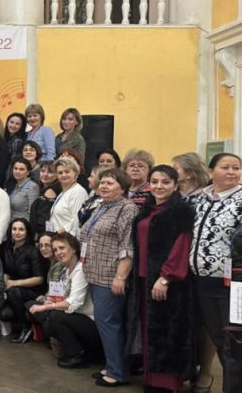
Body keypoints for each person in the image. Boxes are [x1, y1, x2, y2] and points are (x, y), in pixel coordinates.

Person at [130, 165, 194, 393]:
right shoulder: (147, 209)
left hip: (168, 282)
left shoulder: (181, 211)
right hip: (143, 279)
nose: (159, 186)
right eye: (155, 182)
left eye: (165, 182)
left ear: (175, 185)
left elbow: (182, 246)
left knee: (168, 332)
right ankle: (151, 379)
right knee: (150, 331)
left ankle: (167, 384)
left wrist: (166, 277)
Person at [78, 167, 138, 387]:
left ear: (122, 188)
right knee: (105, 323)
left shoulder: (127, 208)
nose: (104, 185)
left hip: (110, 276)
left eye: (110, 183)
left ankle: (118, 373)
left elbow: (127, 246)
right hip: (93, 273)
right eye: (102, 182)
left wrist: (120, 277)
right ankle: (112, 365)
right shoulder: (102, 206)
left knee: (109, 324)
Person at [190, 152, 242, 393]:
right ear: (210, 172)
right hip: (202, 281)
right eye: (225, 167)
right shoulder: (201, 199)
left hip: (233, 284)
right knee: (219, 339)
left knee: (235, 343)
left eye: (236, 167)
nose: (232, 172)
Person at [27, 232, 100, 369]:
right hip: (77, 317)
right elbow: (64, 297)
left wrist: (46, 307)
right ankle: (76, 350)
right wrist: (50, 301)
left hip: (91, 322)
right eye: (55, 250)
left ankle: (78, 354)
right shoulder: (66, 270)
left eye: (62, 248)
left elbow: (73, 302)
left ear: (73, 248)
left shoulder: (80, 270)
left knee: (55, 316)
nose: (58, 252)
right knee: (47, 320)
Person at [0, 218, 45, 343]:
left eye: (21, 229)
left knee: (13, 291)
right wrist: (6, 281)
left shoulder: (33, 251)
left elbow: (39, 279)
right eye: (14, 229)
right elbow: (6, 271)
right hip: (13, 290)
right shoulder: (7, 249)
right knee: (4, 313)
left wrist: (14, 283)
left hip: (33, 292)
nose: (17, 232)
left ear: (27, 232)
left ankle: (26, 327)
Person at [46, 157, 89, 236]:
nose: (64, 175)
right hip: (56, 237)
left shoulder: (78, 191)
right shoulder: (63, 192)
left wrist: (67, 237)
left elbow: (77, 221)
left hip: (67, 239)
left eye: (67, 171)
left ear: (75, 173)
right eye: (60, 173)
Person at [30, 161, 62, 236]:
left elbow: (46, 217)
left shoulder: (51, 191)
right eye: (42, 171)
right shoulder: (43, 188)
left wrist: (44, 235)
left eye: (50, 172)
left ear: (57, 175)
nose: (45, 174)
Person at [7, 158, 40, 222]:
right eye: (15, 168)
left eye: (21, 169)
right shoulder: (12, 185)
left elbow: (32, 212)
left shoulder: (33, 187)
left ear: (28, 172)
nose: (17, 171)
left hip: (23, 223)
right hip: (10, 222)